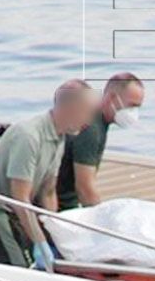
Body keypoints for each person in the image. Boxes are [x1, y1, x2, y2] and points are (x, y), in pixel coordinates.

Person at [0, 79, 96, 268]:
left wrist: (53, 232)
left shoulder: (59, 137)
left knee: (50, 265)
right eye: (87, 113)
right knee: (22, 270)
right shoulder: (29, 136)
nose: (89, 121)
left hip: (19, 214)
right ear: (70, 108)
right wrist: (40, 242)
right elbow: (19, 197)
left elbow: (48, 191)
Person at [56, 72, 144, 211]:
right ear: (111, 98)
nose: (133, 113)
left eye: (138, 107)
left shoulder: (98, 121)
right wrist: (101, 220)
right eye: (131, 106)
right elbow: (85, 188)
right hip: (62, 206)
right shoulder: (91, 128)